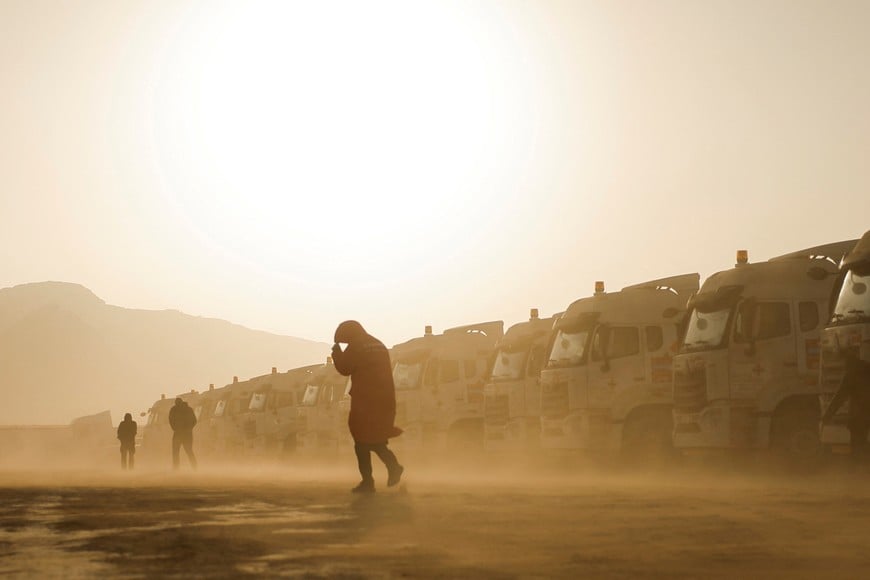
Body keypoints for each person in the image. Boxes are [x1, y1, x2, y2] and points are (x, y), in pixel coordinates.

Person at [332, 320, 404, 493]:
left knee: (362, 441)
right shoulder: (378, 344)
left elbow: (344, 368)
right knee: (374, 438)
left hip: (365, 400)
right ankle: (391, 468)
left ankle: (369, 481)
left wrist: (337, 353)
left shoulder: (356, 345)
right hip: (385, 399)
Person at [821, 352, 870, 464]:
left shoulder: (851, 374)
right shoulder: (867, 368)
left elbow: (839, 397)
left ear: (847, 362)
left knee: (858, 443)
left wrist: (827, 416)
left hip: (859, 415)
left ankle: (859, 469)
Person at [169, 397, 198, 470]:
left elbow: (171, 420)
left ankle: (176, 468)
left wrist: (175, 428)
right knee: (188, 451)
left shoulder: (174, 409)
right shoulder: (188, 409)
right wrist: (188, 429)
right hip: (185, 434)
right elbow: (194, 421)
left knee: (177, 451)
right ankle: (194, 467)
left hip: (180, 433)